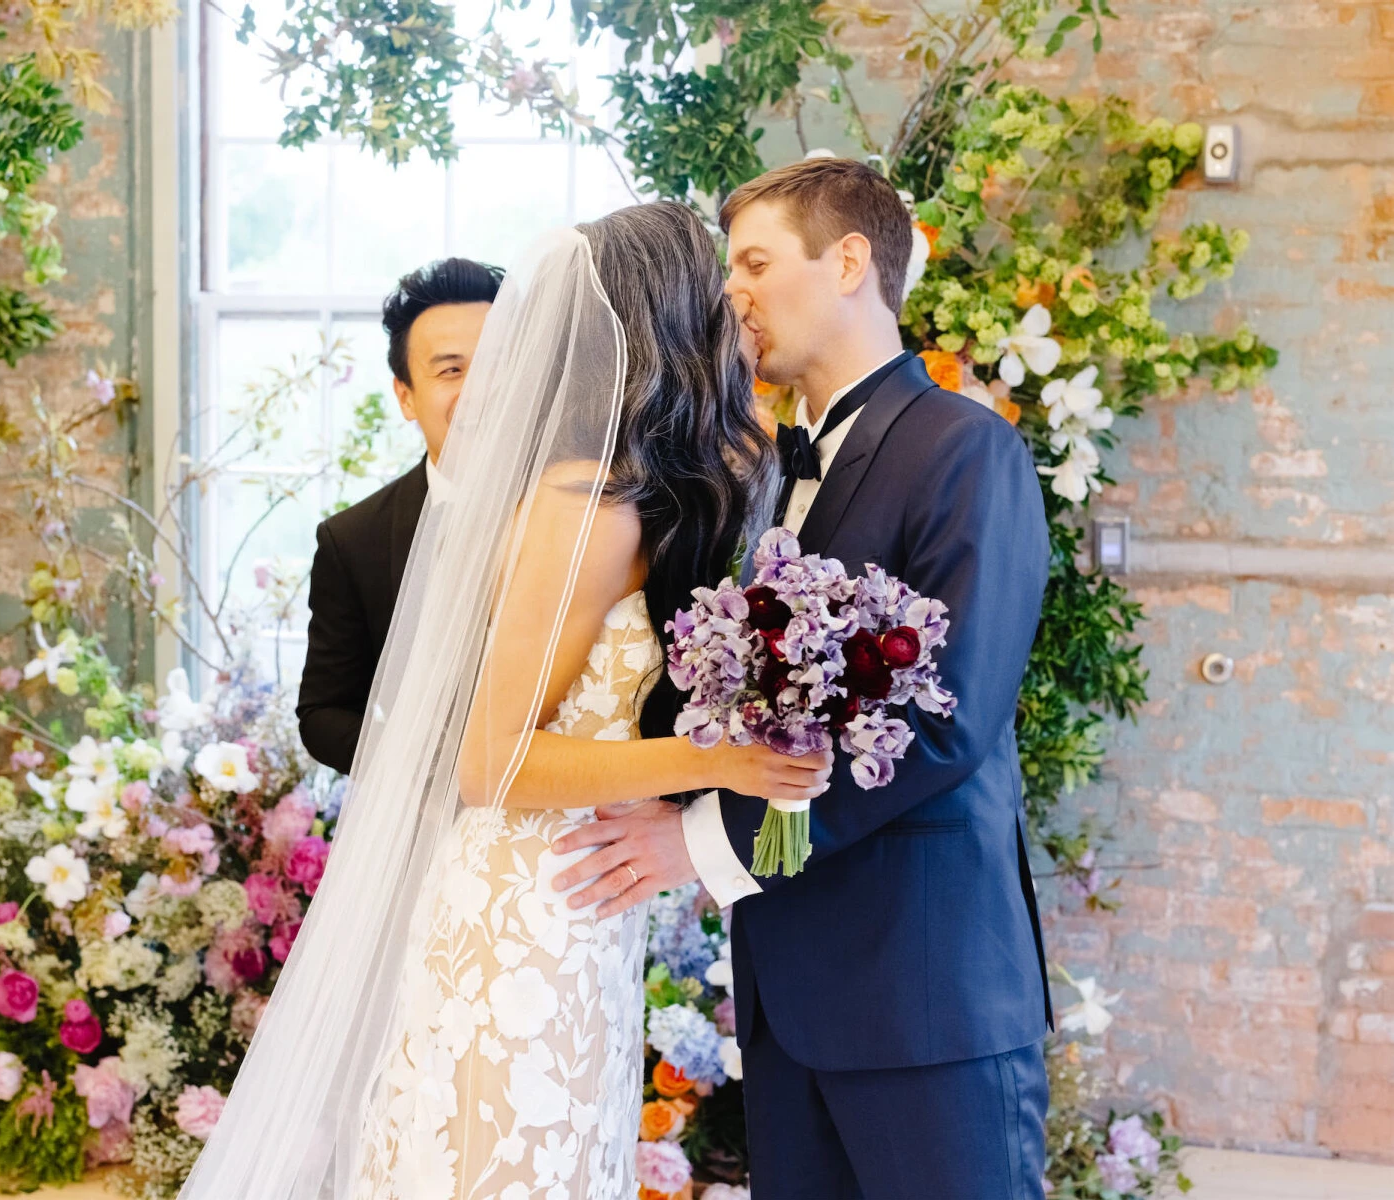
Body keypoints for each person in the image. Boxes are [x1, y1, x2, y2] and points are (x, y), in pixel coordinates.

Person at [180, 204, 831, 1199]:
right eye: (714, 282)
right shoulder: (579, 506)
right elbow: (490, 761)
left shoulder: (671, 483)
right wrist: (714, 764)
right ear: (667, 314)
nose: (733, 300)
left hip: (583, 904)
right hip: (515, 911)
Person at [551, 157, 1055, 1199]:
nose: (730, 291)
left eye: (754, 261)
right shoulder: (761, 473)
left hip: (924, 997)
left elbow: (942, 726)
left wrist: (691, 842)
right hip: (787, 997)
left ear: (849, 263)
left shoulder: (963, 451)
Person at [297, 257, 503, 775]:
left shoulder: (597, 510)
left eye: (499, 365)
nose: (478, 390)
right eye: (451, 370)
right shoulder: (353, 539)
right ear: (406, 396)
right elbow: (324, 712)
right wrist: (427, 769)